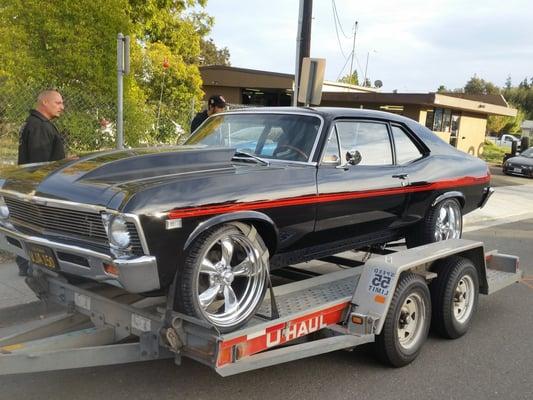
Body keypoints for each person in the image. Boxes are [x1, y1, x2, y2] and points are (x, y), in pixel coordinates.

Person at [16, 89, 65, 276]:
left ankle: (28, 264)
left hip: (31, 185)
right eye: (58, 103)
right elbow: (40, 165)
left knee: (29, 225)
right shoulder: (40, 127)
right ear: (44, 102)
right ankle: (32, 266)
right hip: (40, 188)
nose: (62, 106)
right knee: (36, 227)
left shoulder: (35, 123)